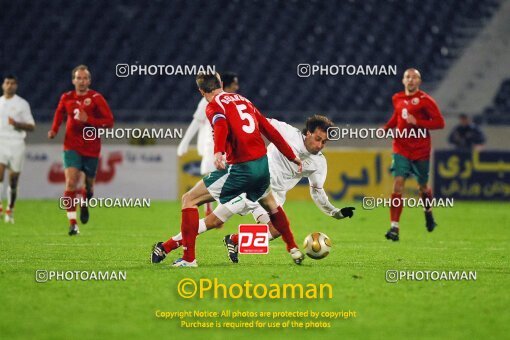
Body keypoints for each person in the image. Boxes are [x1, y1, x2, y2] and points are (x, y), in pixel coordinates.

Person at [151, 115, 355, 264]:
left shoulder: (319, 164)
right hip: (252, 184)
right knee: (214, 221)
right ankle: (167, 246)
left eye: (325, 142)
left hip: (273, 198)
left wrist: (335, 212)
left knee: (272, 230)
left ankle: (234, 240)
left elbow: (317, 192)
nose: (320, 145)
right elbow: (256, 121)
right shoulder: (285, 131)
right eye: (318, 139)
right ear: (308, 133)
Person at [154, 72, 303, 267]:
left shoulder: (214, 105)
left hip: (241, 170)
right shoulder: (244, 100)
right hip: (261, 168)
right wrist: (292, 156)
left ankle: (189, 258)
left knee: (189, 199)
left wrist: (218, 152)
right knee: (270, 206)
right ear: (221, 84)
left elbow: (220, 125)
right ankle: (293, 247)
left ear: (201, 91)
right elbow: (269, 130)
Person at [48, 65, 114, 235]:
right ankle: (72, 223)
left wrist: (89, 119)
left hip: (92, 148)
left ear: (89, 81)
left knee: (89, 187)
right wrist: (54, 129)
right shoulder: (67, 97)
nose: (82, 81)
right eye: (79, 78)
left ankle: (84, 203)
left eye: (85, 78)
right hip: (71, 146)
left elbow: (109, 122)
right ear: (73, 80)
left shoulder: (96, 98)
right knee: (70, 182)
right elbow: (58, 113)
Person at [383, 68, 445, 241]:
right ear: (403, 80)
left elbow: (440, 123)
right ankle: (394, 227)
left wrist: (418, 122)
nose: (411, 80)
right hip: (401, 147)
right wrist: (387, 128)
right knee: (398, 184)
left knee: (423, 188)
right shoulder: (397, 98)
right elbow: (397, 117)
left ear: (419, 81)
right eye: (408, 77)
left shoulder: (426, 101)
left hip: (420, 150)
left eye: (414, 77)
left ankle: (428, 212)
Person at [177, 72, 239, 215]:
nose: (237, 87)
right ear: (224, 84)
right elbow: (197, 121)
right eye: (234, 84)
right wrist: (185, 142)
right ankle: (211, 209)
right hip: (212, 144)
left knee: (223, 175)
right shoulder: (207, 100)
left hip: (229, 146)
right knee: (213, 173)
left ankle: (217, 210)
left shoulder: (232, 100)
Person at [0, 75, 35, 223]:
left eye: (13, 83)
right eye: (7, 83)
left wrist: (17, 124)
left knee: (13, 180)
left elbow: (31, 126)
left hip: (16, 143)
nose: (9, 86)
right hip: (1, 141)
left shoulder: (22, 104)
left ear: (16, 86)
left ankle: (10, 208)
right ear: (3, 85)